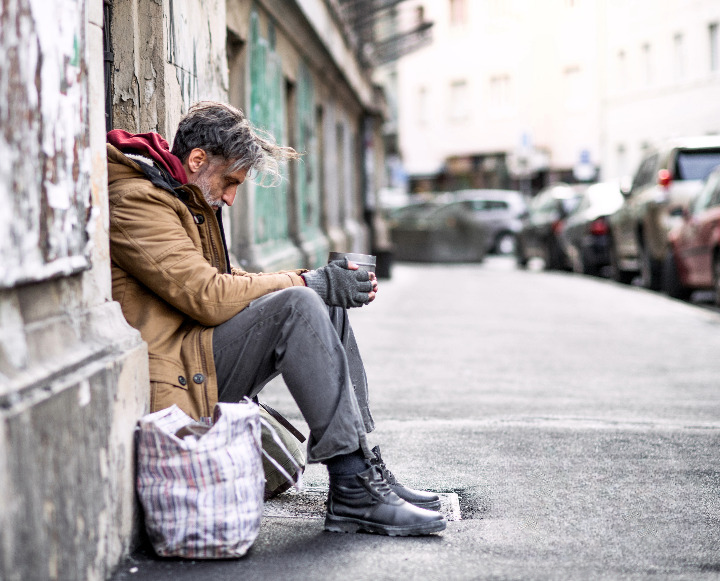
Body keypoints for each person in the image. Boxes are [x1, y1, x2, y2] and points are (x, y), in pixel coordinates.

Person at [106, 101, 445, 537]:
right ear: (196, 160)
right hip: (177, 372)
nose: (230, 196)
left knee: (322, 300)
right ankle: (355, 492)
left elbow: (223, 279)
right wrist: (304, 282)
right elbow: (206, 295)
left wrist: (319, 283)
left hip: (199, 354)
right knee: (300, 303)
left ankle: (363, 469)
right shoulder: (137, 200)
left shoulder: (177, 193)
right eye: (230, 181)